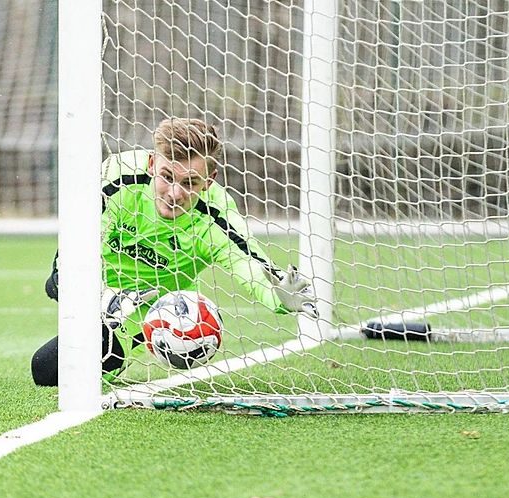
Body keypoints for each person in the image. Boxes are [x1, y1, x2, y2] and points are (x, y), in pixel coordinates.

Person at [32, 117, 317, 386]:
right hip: (93, 280)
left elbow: (250, 263)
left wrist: (277, 297)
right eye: (167, 176)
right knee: (61, 280)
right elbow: (80, 240)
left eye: (190, 183)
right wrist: (98, 295)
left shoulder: (216, 217)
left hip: (147, 312)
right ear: (153, 163)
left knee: (46, 369)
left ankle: (120, 340)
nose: (175, 193)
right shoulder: (119, 176)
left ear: (209, 179)